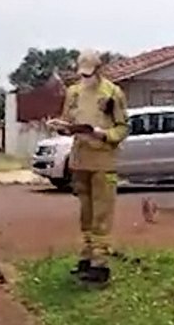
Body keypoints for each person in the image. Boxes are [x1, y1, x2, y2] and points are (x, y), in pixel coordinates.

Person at [52, 49, 129, 285]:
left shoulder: (113, 93)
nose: (86, 78)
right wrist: (62, 127)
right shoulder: (73, 93)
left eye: (90, 73)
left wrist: (103, 134)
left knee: (101, 214)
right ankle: (86, 256)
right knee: (85, 212)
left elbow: (122, 128)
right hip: (80, 159)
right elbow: (68, 121)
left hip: (103, 161)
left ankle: (100, 263)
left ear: (99, 70)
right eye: (83, 74)